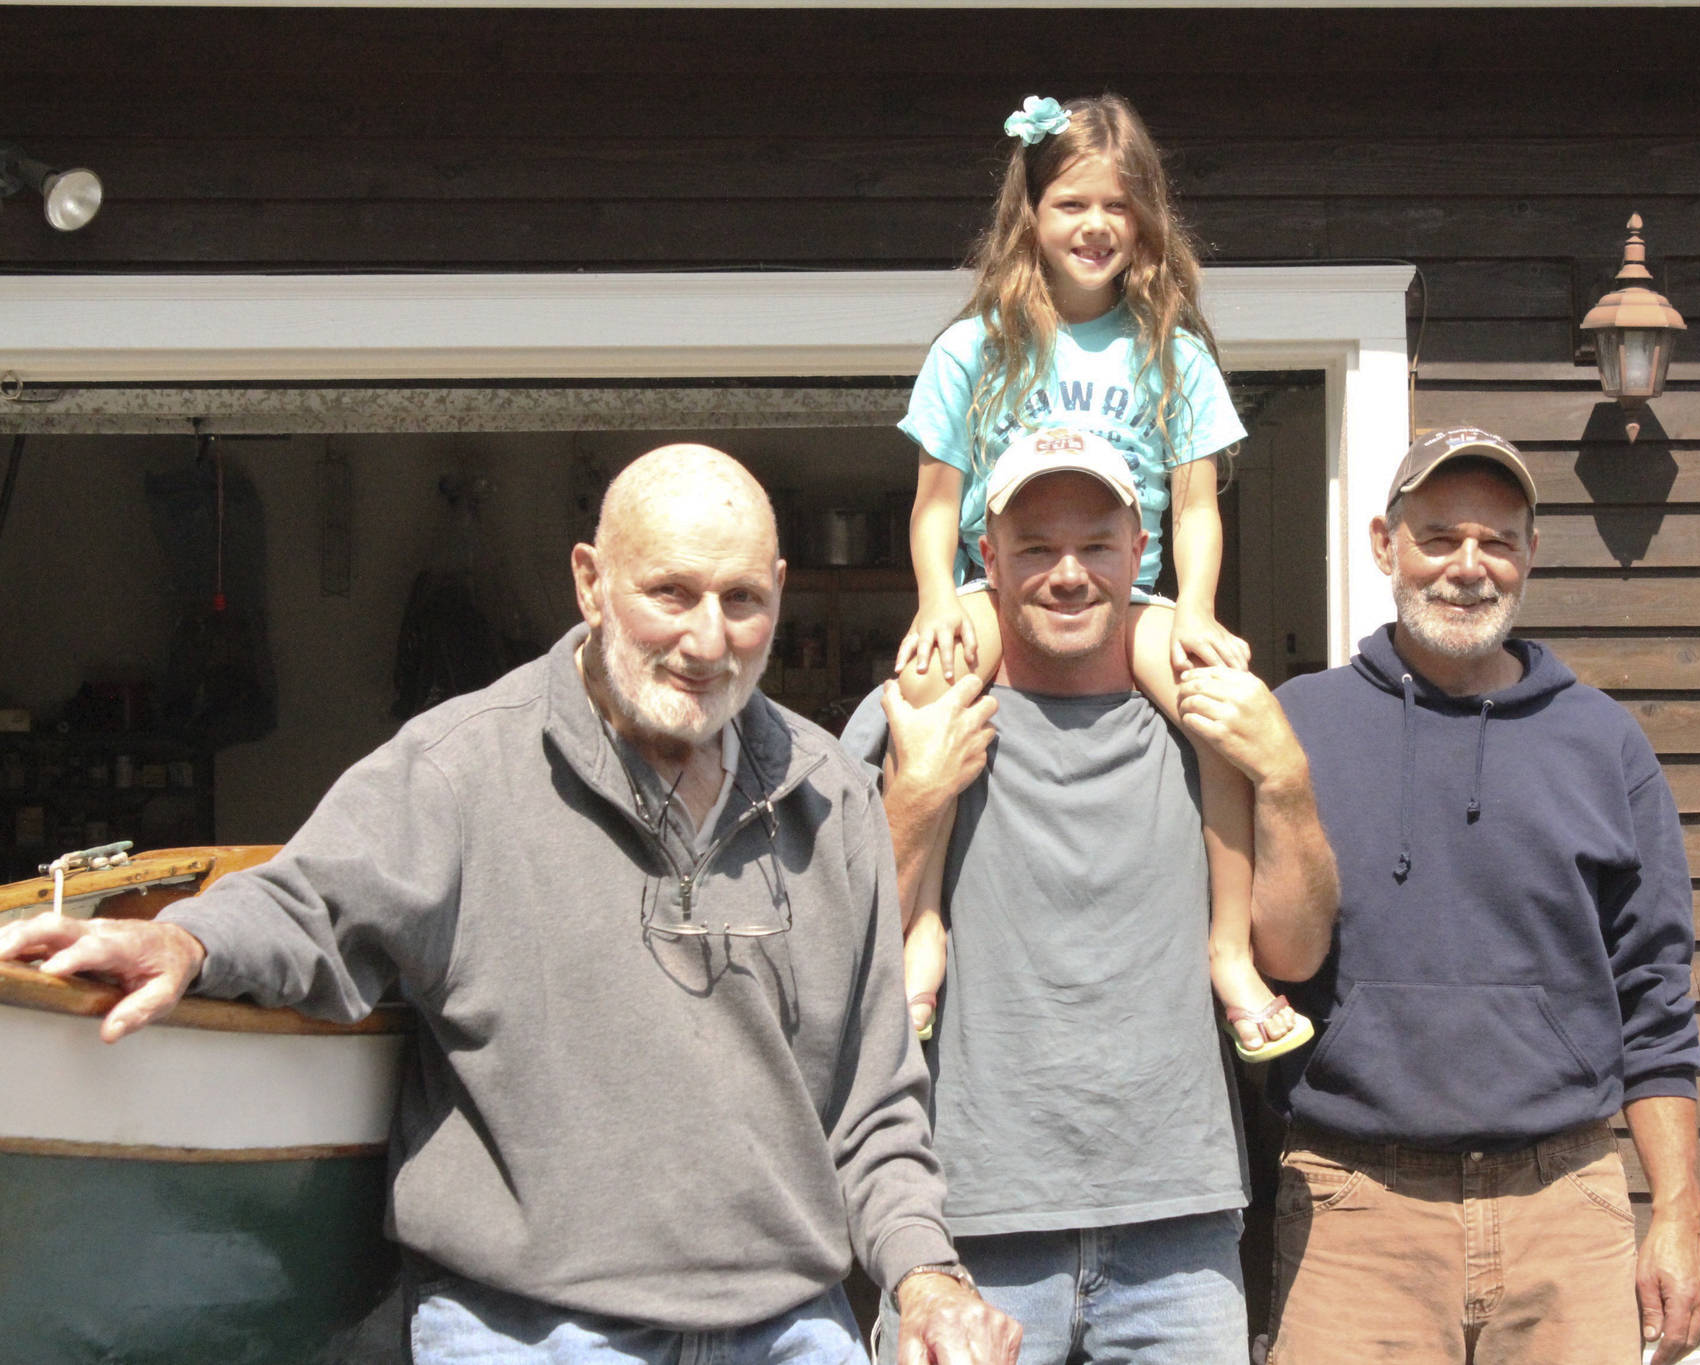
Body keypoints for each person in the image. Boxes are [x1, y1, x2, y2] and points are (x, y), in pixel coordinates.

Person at [0, 445, 1021, 1365]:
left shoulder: (829, 796)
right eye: (670, 593)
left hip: (789, 1330)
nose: (709, 640)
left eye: (742, 600)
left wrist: (927, 1279)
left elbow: (874, 1105)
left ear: (782, 595)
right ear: (589, 581)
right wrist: (183, 937)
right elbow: (312, 902)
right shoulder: (458, 771)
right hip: (528, 1332)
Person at [848, 436, 1340, 1364]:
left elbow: (1299, 954)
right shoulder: (914, 718)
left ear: (1140, 550)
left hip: (1180, 1232)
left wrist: (1286, 775)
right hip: (962, 1232)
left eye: (1096, 546)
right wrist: (914, 800)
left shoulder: (1205, 719)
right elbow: (833, 959)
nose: (1067, 575)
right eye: (1034, 547)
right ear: (984, 561)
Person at [1264, 428, 1700, 1365]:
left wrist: (1677, 1212)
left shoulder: (1605, 745)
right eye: (1439, 538)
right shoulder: (1297, 726)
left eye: (1497, 541)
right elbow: (1253, 950)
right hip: (1356, 1209)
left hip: (1567, 1204)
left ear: (1530, 556)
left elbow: (1656, 999)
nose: (1469, 567)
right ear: (1385, 544)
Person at [889, 92, 1310, 1062]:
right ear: (1028, 216)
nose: (1094, 227)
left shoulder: (1173, 352)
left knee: (1218, 707)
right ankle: (918, 930)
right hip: (1000, 591)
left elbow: (1196, 505)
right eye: (1070, 204)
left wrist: (1195, 609)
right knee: (924, 691)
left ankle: (1228, 949)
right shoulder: (973, 348)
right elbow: (935, 504)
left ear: (1147, 220)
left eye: (1116, 207)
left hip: (1136, 597)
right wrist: (931, 604)